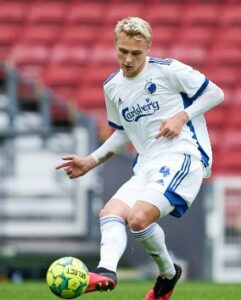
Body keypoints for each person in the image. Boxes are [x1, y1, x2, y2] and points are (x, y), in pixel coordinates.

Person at [56, 16, 224, 300]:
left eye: (136, 53)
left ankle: (168, 275)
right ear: (115, 47)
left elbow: (215, 93)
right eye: (122, 51)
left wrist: (181, 116)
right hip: (146, 164)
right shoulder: (112, 86)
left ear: (147, 48)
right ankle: (107, 272)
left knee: (137, 218)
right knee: (110, 213)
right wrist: (90, 161)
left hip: (183, 156)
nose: (129, 59)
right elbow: (123, 132)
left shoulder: (168, 71)